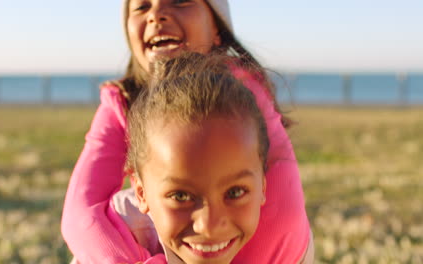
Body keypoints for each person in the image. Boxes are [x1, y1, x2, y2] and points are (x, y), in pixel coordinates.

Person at [61, 0, 313, 263]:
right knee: (121, 213)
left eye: (180, 2)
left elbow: (284, 218)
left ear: (217, 27)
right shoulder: (122, 100)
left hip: (260, 251)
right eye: (142, 7)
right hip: (181, 240)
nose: (156, 16)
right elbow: (81, 215)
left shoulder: (241, 96)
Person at [116, 53, 269, 264]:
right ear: (142, 194)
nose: (208, 226)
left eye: (235, 192)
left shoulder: (289, 246)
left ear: (263, 186)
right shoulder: (117, 232)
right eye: (180, 196)